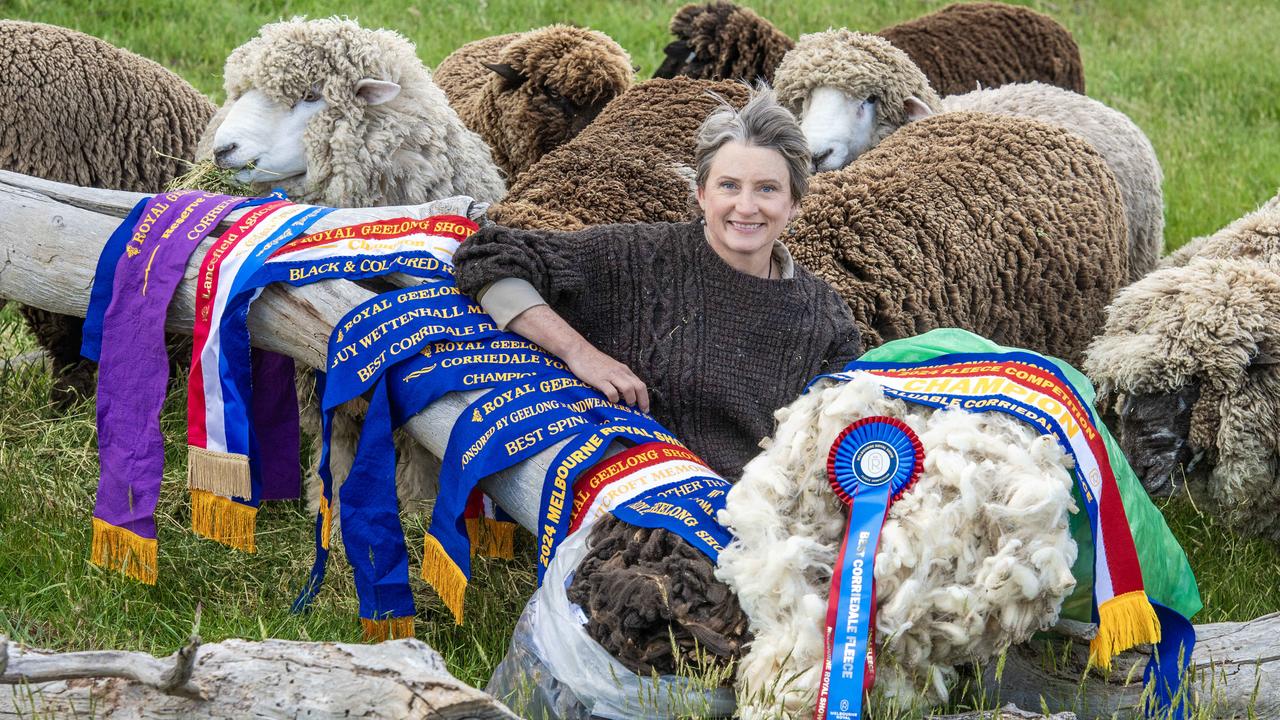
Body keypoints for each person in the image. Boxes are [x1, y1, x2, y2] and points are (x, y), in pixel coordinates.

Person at [454, 88, 861, 479]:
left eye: (767, 189)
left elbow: (832, 434)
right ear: (702, 194)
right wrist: (579, 351)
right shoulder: (636, 255)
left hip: (755, 508)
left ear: (793, 202)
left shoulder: (824, 317)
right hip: (640, 493)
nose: (746, 206)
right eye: (729, 186)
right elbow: (489, 256)